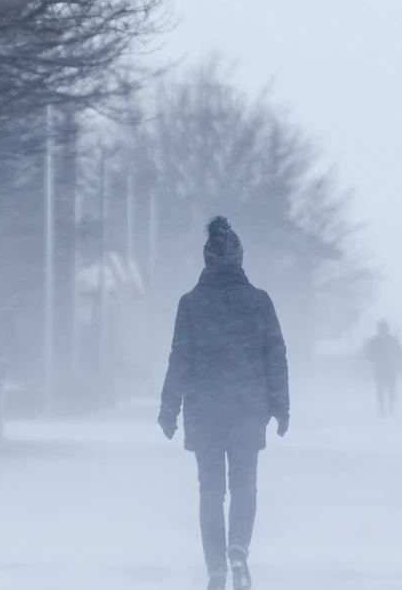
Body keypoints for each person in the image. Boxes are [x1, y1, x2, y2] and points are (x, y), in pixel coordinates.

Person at [158, 217, 290, 590]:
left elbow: (180, 359)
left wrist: (170, 409)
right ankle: (238, 551)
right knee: (245, 486)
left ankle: (215, 565)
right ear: (239, 259)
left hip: (205, 410)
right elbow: (274, 356)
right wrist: (281, 406)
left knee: (211, 490)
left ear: (207, 260)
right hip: (249, 408)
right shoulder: (260, 301)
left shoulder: (191, 303)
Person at [364, 320, 402, 417]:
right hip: (380, 369)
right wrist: (375, 359)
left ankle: (390, 407)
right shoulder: (375, 341)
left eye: (384, 328)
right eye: (381, 328)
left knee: (391, 390)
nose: (383, 330)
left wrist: (401, 364)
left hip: (390, 369)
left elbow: (400, 353)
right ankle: (382, 410)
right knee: (380, 390)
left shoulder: (391, 340)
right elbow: (368, 353)